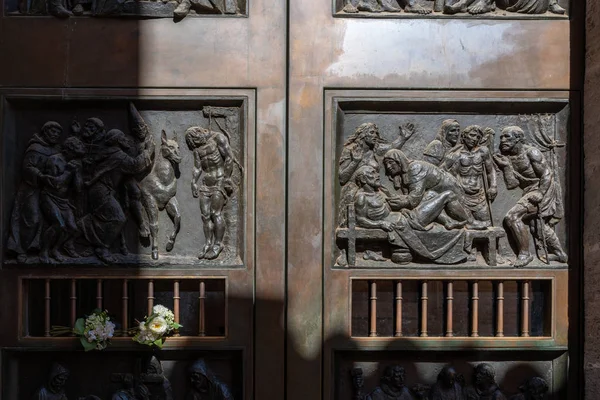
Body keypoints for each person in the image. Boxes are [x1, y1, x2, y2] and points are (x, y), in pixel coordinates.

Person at [353, 165, 468, 264]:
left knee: (431, 194)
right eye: (372, 173)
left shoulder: (378, 191)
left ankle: (447, 221)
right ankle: (466, 221)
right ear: (363, 179)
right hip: (406, 223)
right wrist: (381, 223)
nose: (377, 175)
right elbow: (360, 219)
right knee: (448, 195)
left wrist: (401, 206)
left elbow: (390, 205)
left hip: (404, 216)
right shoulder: (362, 197)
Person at [78, 125, 155, 263]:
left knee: (104, 217)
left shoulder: (107, 152)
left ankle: (81, 232)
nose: (126, 140)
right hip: (101, 191)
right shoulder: (118, 156)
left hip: (100, 190)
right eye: (123, 138)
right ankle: (101, 248)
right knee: (118, 218)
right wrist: (148, 151)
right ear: (117, 141)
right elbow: (135, 165)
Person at [493, 126, 567, 267]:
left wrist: (540, 193)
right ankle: (560, 254)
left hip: (543, 189)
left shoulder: (531, 152)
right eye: (501, 137)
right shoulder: (510, 158)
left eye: (507, 137)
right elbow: (512, 184)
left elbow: (546, 174)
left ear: (518, 139)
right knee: (538, 228)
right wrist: (506, 167)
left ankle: (525, 254)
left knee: (512, 217)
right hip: (529, 190)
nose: (502, 140)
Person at [338, 122, 414, 227]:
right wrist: (355, 162)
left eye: (376, 133)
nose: (375, 136)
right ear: (363, 135)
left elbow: (391, 147)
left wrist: (402, 138)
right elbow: (342, 178)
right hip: (356, 194)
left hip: (374, 191)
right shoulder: (351, 150)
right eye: (372, 133)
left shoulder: (375, 149)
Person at [7, 121, 63, 263]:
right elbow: (27, 168)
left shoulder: (56, 149)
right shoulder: (35, 148)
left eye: (58, 133)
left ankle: (44, 249)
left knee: (54, 220)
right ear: (45, 132)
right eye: (53, 132)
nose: (56, 135)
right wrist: (40, 176)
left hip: (50, 191)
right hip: (31, 189)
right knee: (32, 219)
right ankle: (21, 249)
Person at [185, 126, 238, 260]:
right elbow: (197, 167)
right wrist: (193, 181)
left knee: (216, 213)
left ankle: (218, 244)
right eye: (194, 143)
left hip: (219, 181)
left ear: (200, 133)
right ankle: (208, 243)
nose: (197, 143)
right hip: (206, 184)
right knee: (205, 216)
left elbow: (229, 157)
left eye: (197, 140)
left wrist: (227, 178)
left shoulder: (217, 138)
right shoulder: (197, 150)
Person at [38, 136, 86, 263]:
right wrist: (69, 172)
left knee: (73, 228)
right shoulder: (54, 160)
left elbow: (78, 188)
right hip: (49, 196)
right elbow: (55, 184)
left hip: (64, 201)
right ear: (69, 150)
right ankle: (44, 251)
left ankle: (56, 249)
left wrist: (77, 173)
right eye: (77, 150)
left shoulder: (75, 164)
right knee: (58, 224)